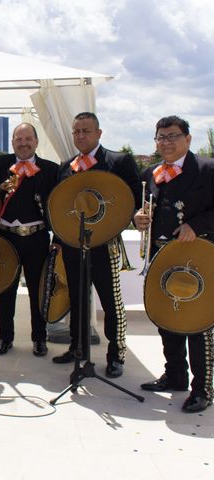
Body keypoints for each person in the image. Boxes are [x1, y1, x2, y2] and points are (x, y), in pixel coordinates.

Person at [52, 112, 141, 378]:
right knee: (77, 298)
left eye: (86, 131)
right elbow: (61, 209)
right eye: (76, 131)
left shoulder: (118, 161)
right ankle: (77, 348)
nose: (81, 136)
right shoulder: (66, 165)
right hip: (72, 245)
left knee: (111, 301)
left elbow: (133, 201)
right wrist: (58, 241)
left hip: (106, 244)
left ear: (99, 133)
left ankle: (116, 355)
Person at [135, 115, 213, 413]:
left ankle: (203, 387)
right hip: (161, 255)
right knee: (166, 316)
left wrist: (197, 224)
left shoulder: (207, 169)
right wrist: (137, 218)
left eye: (172, 136)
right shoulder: (150, 172)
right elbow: (142, 208)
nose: (165, 142)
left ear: (188, 139)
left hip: (196, 257)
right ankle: (176, 375)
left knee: (197, 323)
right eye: (160, 137)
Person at [0, 123, 59, 357]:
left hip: (37, 238)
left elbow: (60, 208)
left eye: (28, 138)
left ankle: (40, 338)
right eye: (18, 139)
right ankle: (5, 337)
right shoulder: (2, 164)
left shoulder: (51, 169)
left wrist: (58, 238)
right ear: (12, 142)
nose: (23, 143)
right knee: (5, 290)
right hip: (6, 238)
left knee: (37, 291)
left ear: (36, 141)